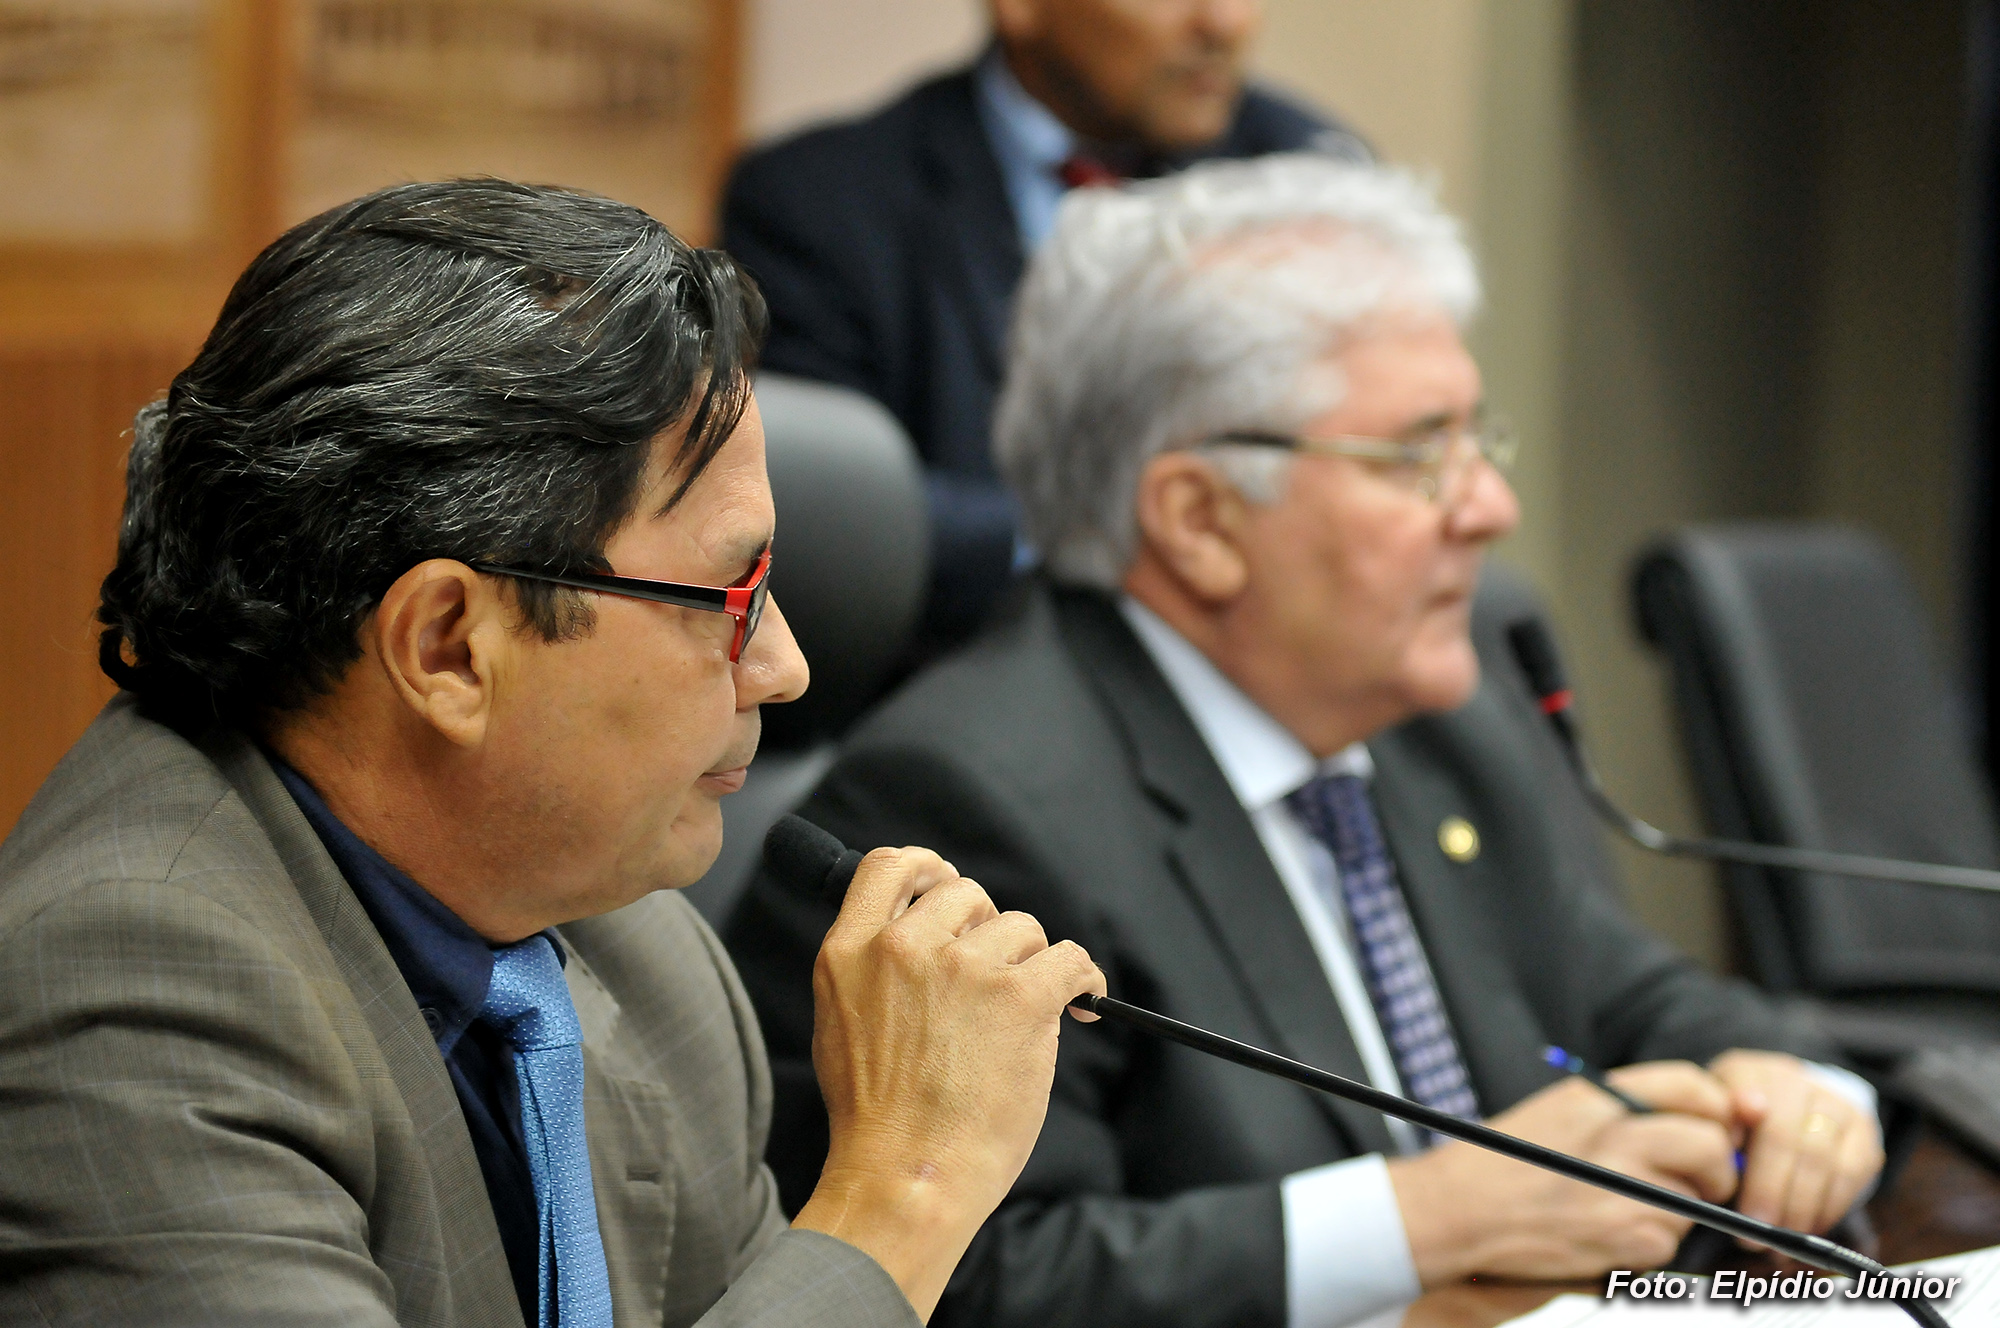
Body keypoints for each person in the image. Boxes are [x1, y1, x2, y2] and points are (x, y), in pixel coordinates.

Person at [725, 157, 1886, 1328]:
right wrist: (1429, 1214)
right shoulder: (963, 803)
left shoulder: (1436, 730)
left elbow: (1639, 997)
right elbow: (973, 1281)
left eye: (1476, 441)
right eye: (1418, 454)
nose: (1490, 506)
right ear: (1199, 519)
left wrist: (1799, 1099)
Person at [0, 180, 1105, 1328]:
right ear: (448, 647)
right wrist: (901, 1194)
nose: (783, 666)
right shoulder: (130, 1003)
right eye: (733, 596)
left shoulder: (640, 950)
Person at [721, 0, 1368, 650]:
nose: (1225, 22)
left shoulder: (1315, 184)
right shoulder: (819, 201)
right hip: (964, 664)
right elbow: (839, 512)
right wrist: (1133, 538)